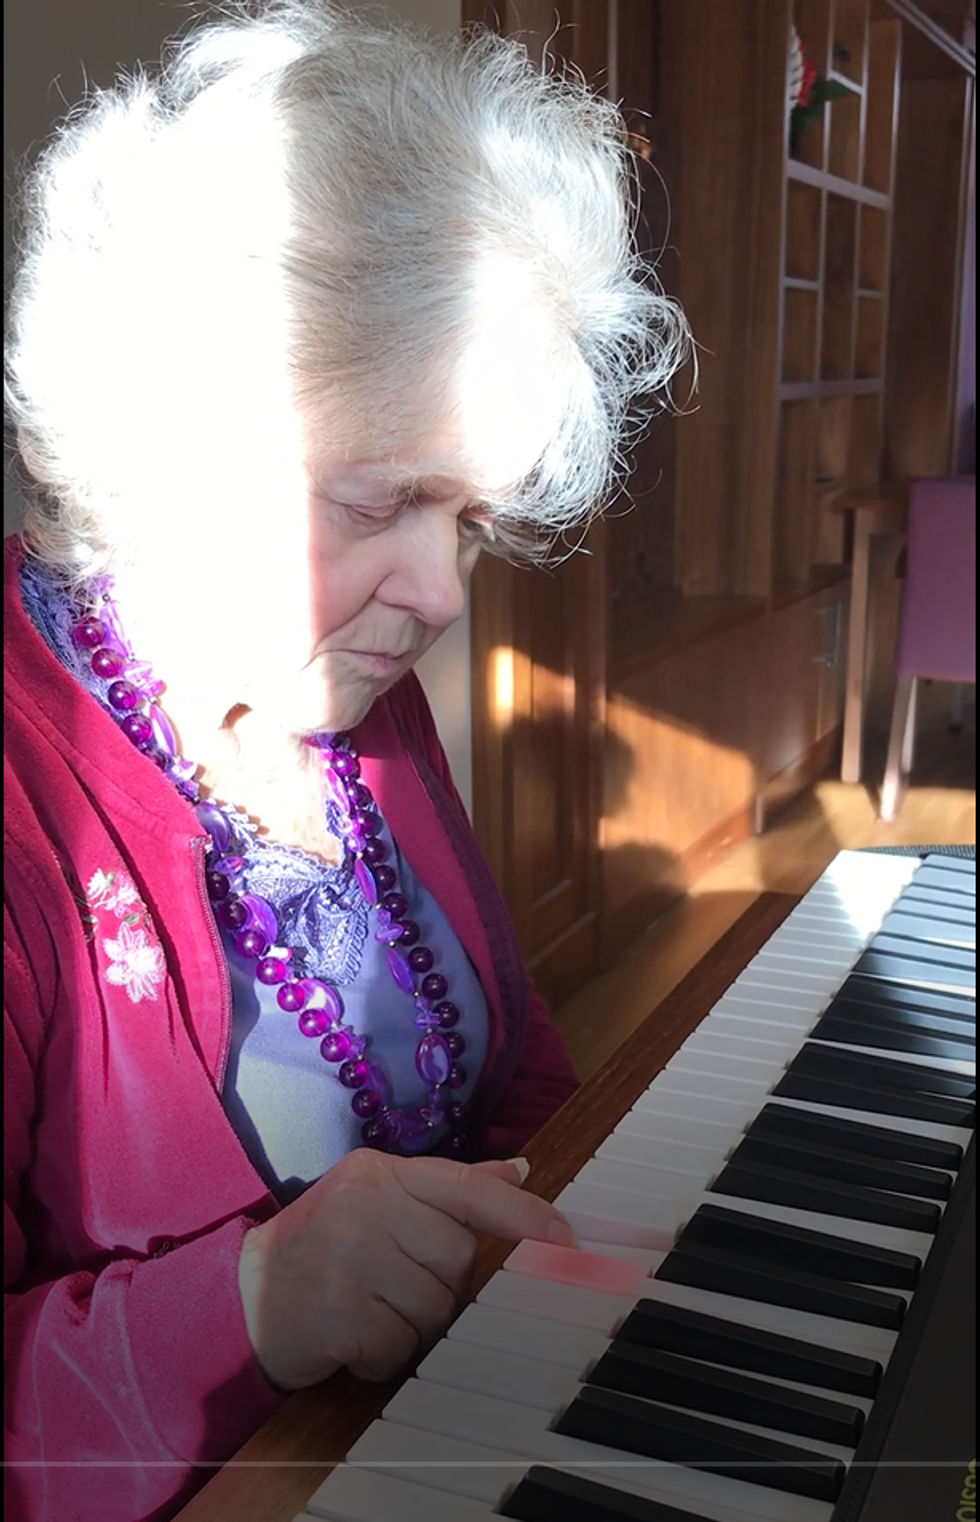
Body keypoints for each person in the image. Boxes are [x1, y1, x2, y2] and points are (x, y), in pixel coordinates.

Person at [3, 3, 690, 1518]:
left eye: (471, 519)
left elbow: (515, 1084)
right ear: (165, 426)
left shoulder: (339, 688)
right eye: (380, 500)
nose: (444, 596)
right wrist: (245, 1303)